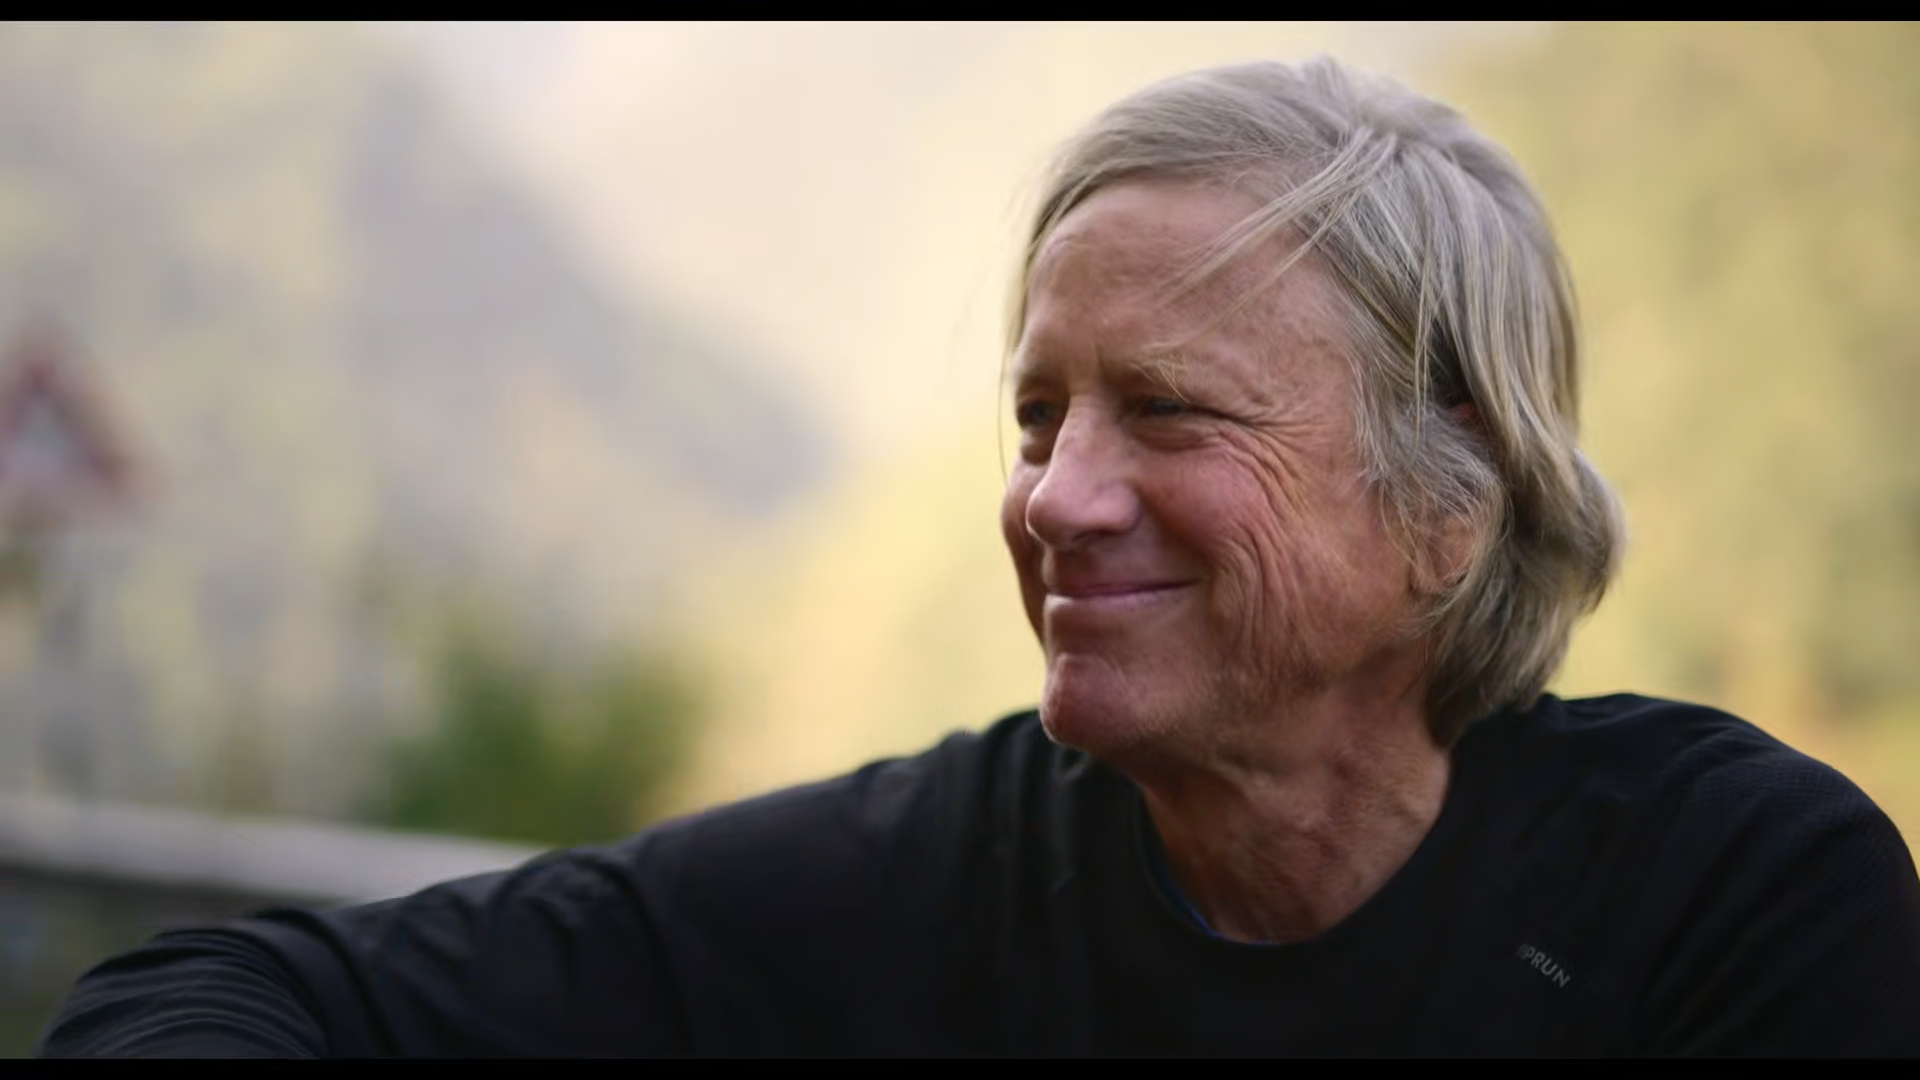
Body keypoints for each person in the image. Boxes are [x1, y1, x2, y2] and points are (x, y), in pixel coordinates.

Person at [38, 57, 1920, 1057]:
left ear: (1452, 505)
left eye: (1168, 413)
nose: (1054, 497)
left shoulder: (1735, 897)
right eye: (1038, 417)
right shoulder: (943, 869)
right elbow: (205, 1001)